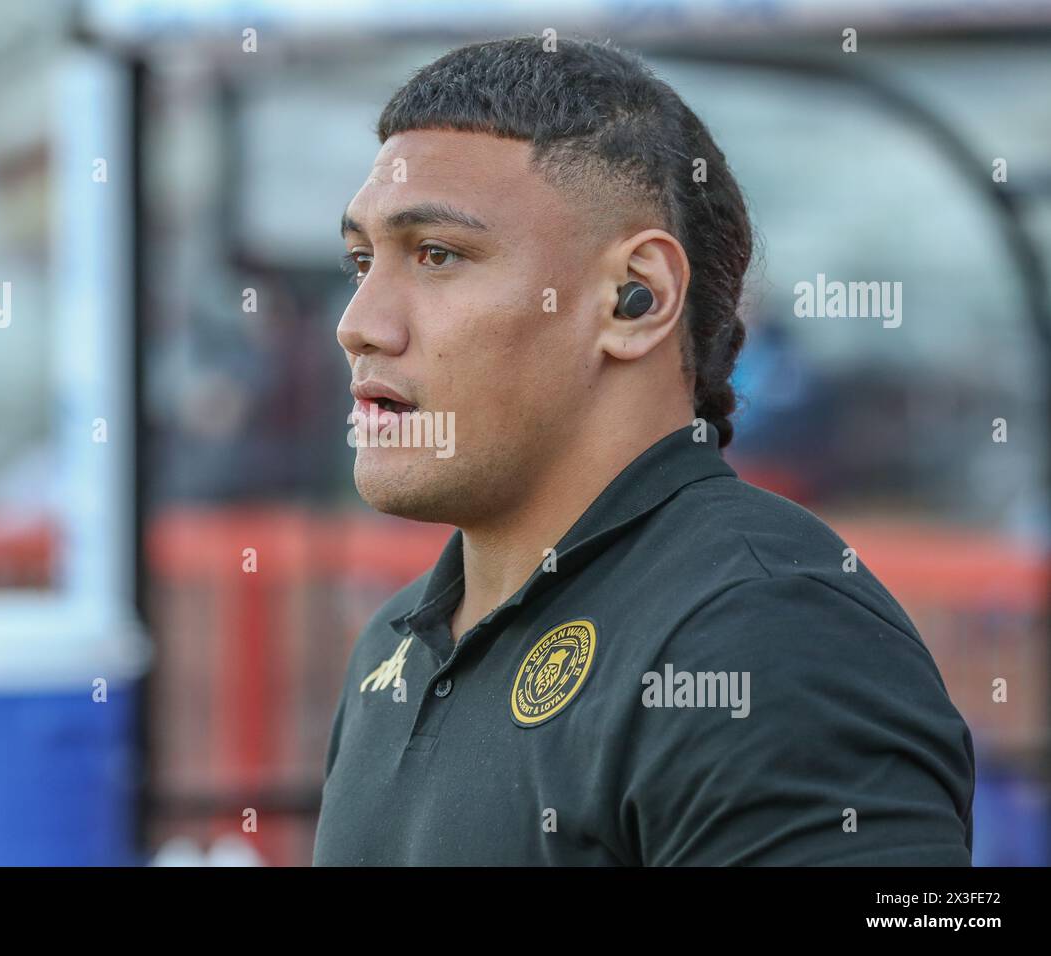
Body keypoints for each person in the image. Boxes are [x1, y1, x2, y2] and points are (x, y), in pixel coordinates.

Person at [312, 35, 974, 865]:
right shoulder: (394, 645)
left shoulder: (763, 630)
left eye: (437, 254)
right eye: (361, 262)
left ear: (636, 301)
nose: (359, 324)